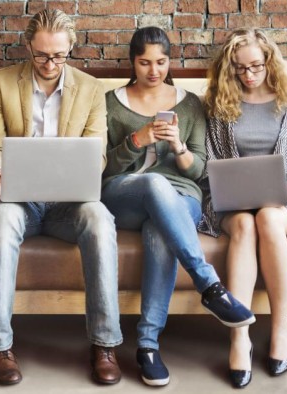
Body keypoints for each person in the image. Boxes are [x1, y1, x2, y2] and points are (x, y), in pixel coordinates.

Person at [101, 26, 255, 387]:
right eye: (144, 63)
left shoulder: (189, 104)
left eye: (160, 62)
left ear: (170, 61)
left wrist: (180, 148)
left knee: (160, 228)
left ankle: (147, 346)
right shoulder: (110, 102)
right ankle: (210, 287)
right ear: (132, 62)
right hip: (125, 195)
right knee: (154, 182)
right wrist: (137, 140)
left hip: (181, 199)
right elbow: (104, 167)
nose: (153, 71)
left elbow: (199, 168)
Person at [0, 9, 122, 386]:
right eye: (41, 55)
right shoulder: (1, 82)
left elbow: (99, 154)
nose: (50, 63)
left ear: (70, 48)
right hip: (18, 198)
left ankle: (104, 344)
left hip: (68, 201)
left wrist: (78, 173)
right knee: (0, 219)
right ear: (28, 46)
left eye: (59, 55)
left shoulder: (91, 89)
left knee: (99, 218)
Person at [201, 29, 287, 389]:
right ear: (229, 69)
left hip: (285, 200)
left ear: (270, 62)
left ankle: (281, 325)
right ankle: (240, 335)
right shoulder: (221, 102)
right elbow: (211, 159)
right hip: (232, 201)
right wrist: (224, 183)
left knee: (265, 217)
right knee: (246, 226)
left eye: (255, 66)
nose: (248, 75)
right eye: (239, 69)